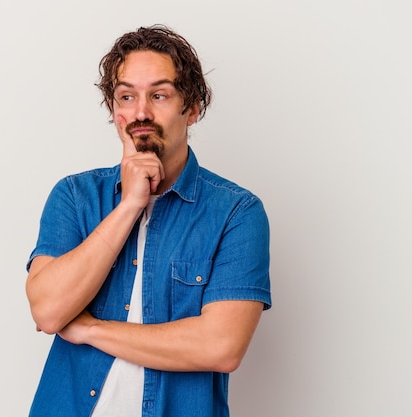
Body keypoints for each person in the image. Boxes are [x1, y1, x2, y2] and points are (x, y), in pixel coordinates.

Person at [25, 24, 271, 417]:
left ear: (192, 108)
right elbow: (49, 310)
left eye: (159, 95)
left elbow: (221, 346)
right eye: (127, 96)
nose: (140, 112)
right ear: (114, 110)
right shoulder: (74, 196)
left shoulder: (236, 213)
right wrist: (129, 206)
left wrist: (90, 329)